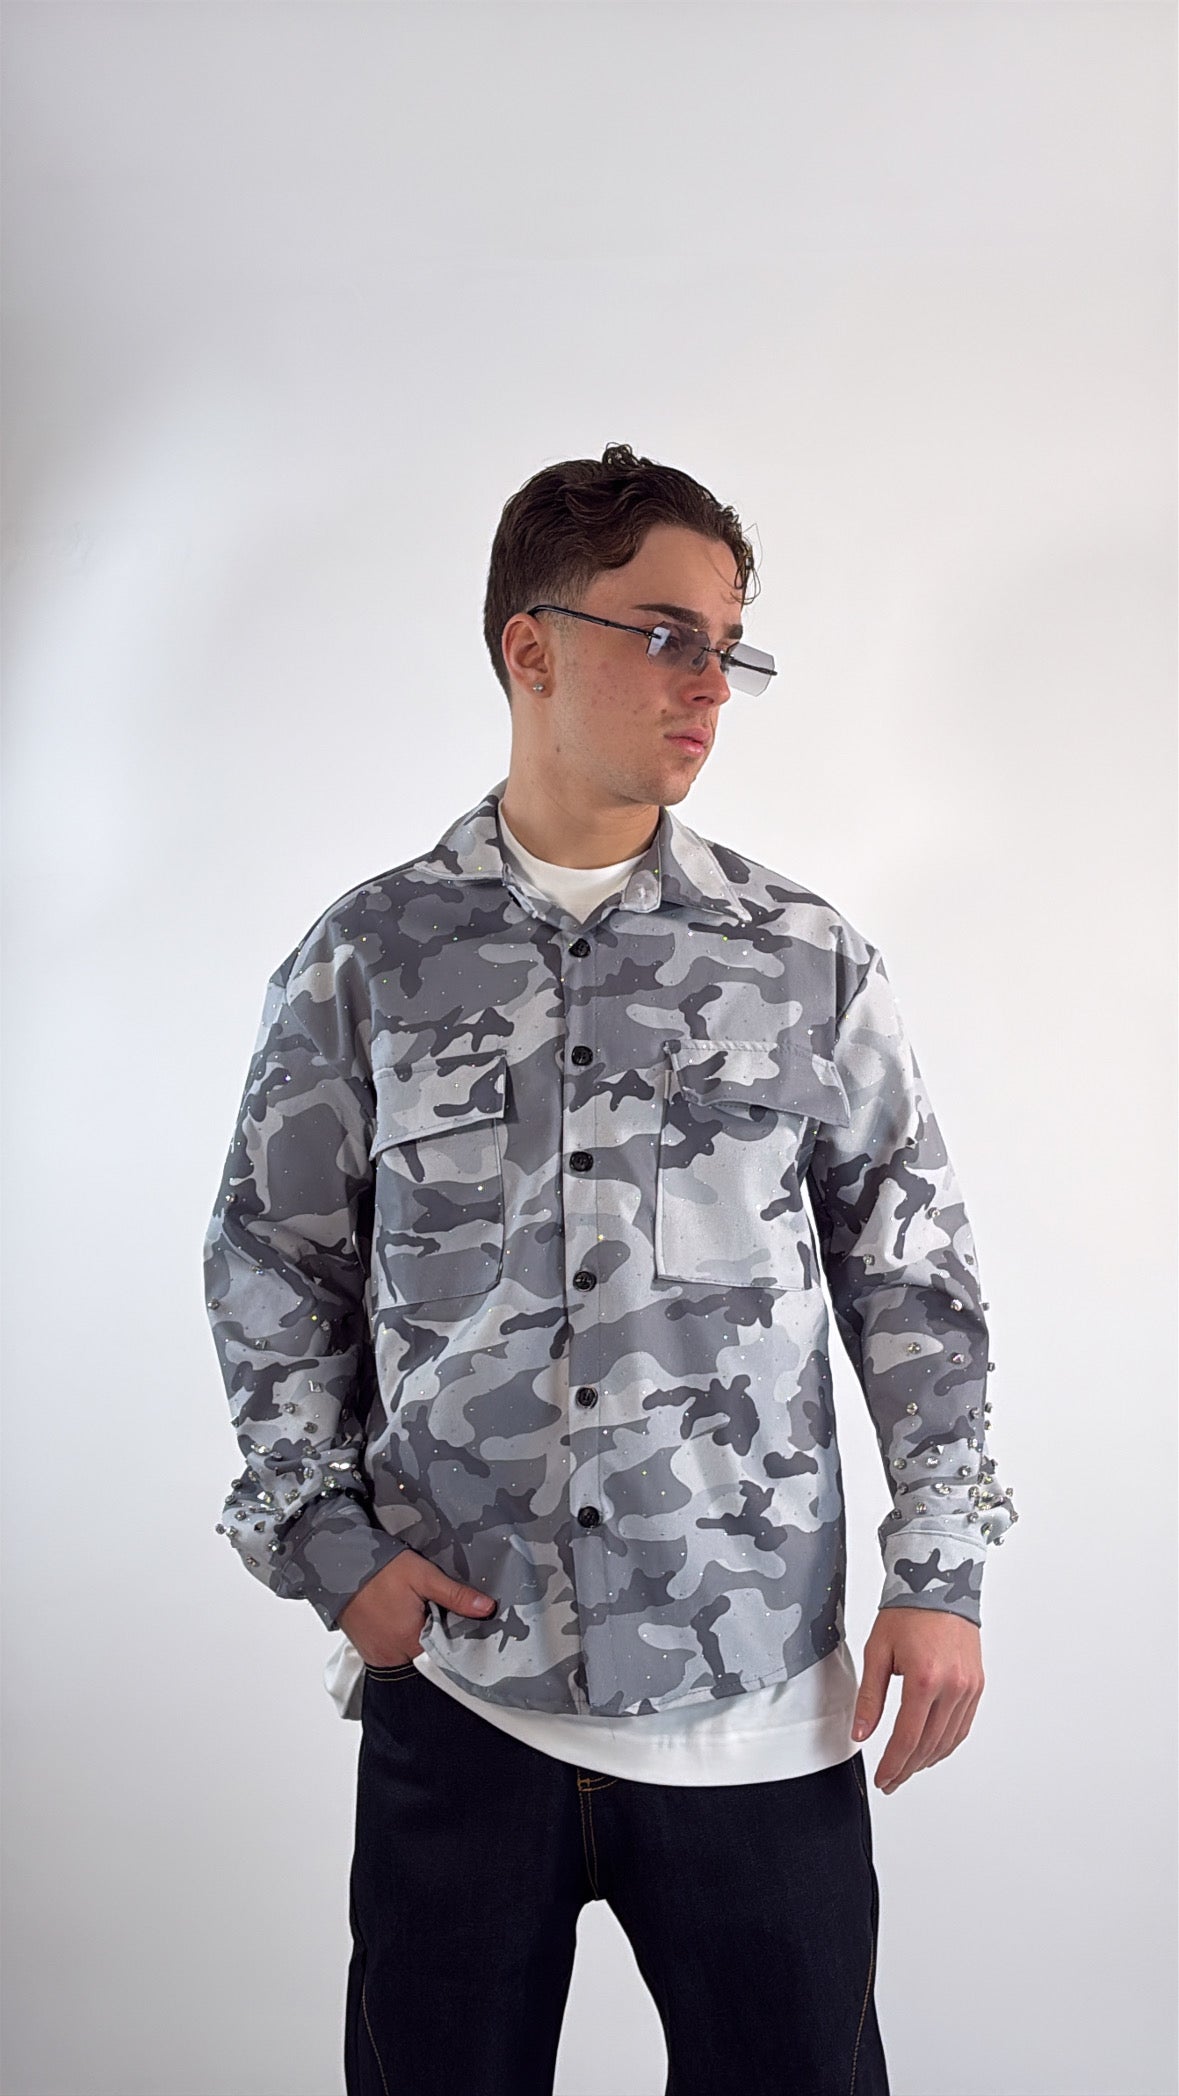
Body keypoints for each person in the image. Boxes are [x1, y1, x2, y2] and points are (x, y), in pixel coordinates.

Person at [203, 441, 1018, 2096]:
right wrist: (323, 1540)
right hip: (465, 1698)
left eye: (730, 648)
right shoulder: (370, 961)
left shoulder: (805, 960)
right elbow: (275, 1264)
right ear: (533, 645)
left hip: (755, 1713)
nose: (710, 685)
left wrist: (941, 1571)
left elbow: (914, 1284)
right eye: (667, 635)